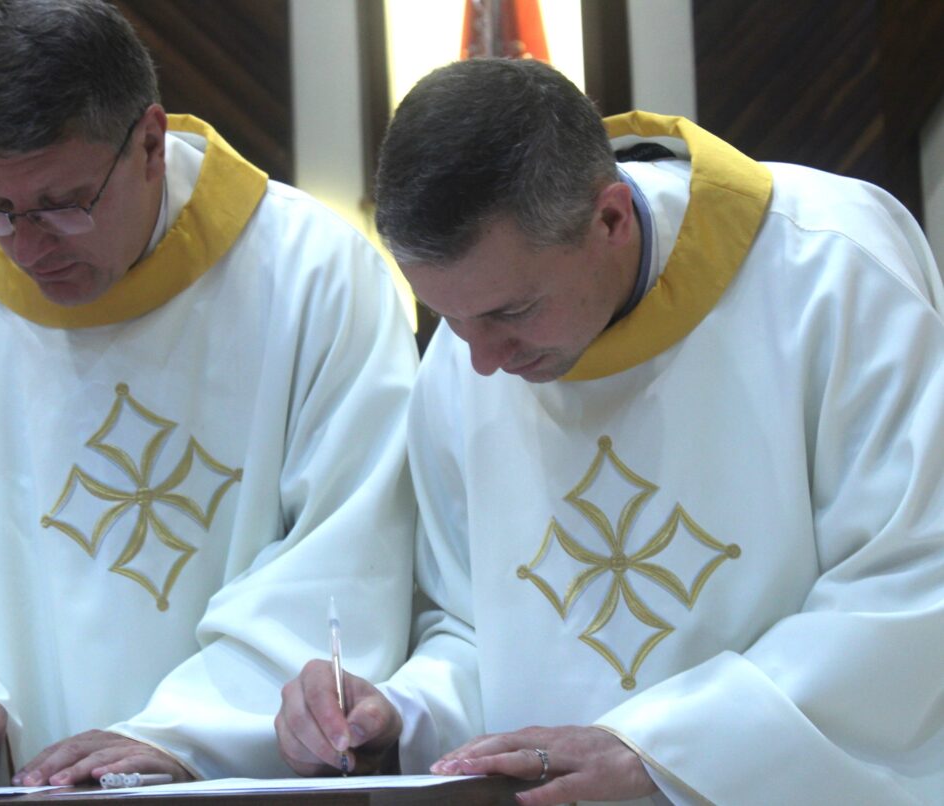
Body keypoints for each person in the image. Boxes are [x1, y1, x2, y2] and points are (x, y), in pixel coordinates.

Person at [275, 57, 944, 805]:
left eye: (510, 313)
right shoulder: (462, 357)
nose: (481, 363)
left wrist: (669, 754)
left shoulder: (835, 269)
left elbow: (912, 587)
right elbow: (470, 627)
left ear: (612, 219)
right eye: (449, 320)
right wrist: (397, 716)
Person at [0, 0, 418, 790]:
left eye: (63, 205)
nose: (27, 248)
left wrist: (184, 736)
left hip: (247, 783)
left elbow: (351, 550)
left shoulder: (315, 275)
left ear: (149, 141)